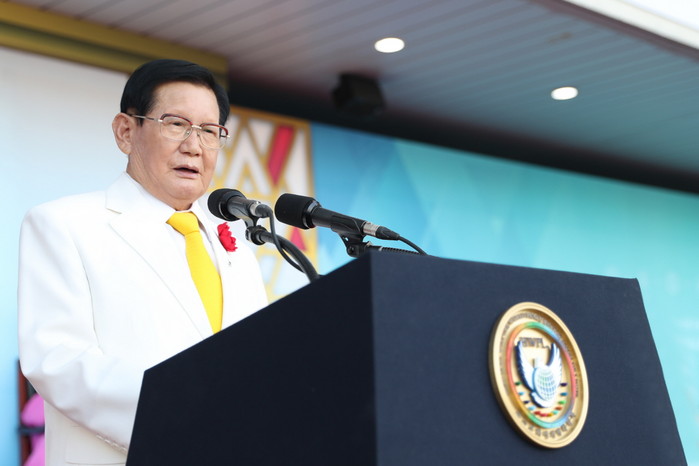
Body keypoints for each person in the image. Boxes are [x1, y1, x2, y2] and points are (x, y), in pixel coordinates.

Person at [18, 59, 268, 466]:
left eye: (209, 131)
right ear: (126, 131)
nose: (194, 146)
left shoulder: (236, 243)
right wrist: (189, 412)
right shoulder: (64, 224)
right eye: (176, 124)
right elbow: (58, 361)